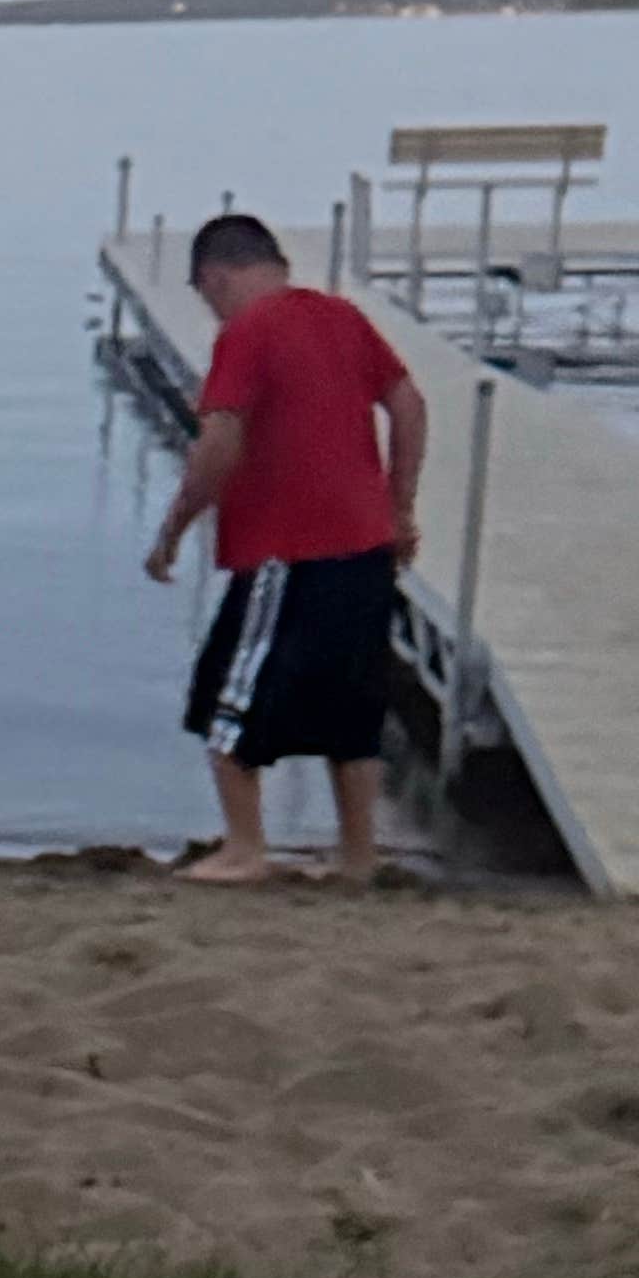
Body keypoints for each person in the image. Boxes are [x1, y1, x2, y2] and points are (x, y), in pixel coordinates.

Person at [143, 214, 427, 884]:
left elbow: (220, 444)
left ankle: (245, 849)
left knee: (224, 697)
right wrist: (401, 506)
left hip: (286, 547)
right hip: (364, 542)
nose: (211, 311)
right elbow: (409, 404)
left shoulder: (248, 331)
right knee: (352, 705)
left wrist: (174, 530)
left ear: (217, 276)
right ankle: (358, 858)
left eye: (207, 296)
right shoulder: (340, 317)